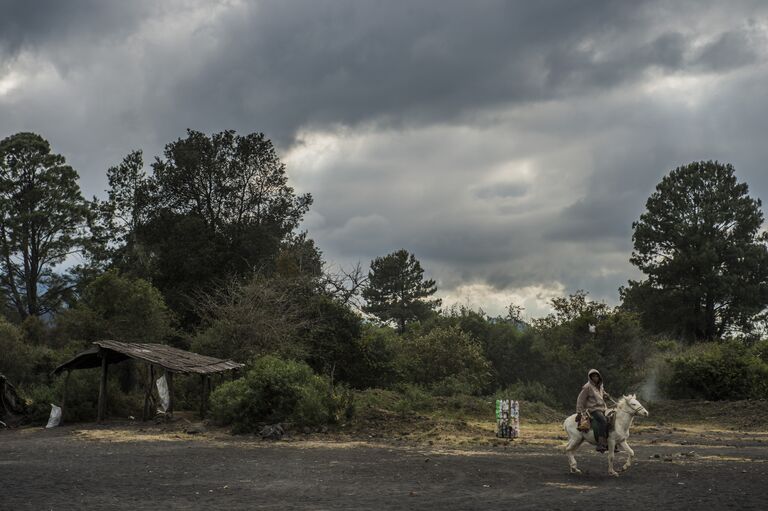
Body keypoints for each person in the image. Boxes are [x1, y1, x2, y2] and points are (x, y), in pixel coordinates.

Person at [576, 369, 612, 452]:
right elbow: (580, 399)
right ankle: (600, 444)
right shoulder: (587, 387)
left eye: (596, 376)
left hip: (603, 408)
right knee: (603, 421)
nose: (595, 378)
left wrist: (606, 395)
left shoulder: (600, 385)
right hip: (593, 409)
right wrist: (579, 412)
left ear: (599, 377)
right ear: (590, 378)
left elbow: (602, 392)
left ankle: (611, 443)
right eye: (593, 376)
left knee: (612, 419)